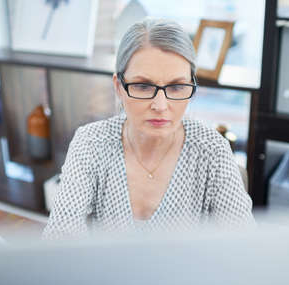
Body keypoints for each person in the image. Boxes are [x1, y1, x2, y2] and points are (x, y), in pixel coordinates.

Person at [43, 18, 255, 239]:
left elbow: (244, 247)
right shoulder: (91, 143)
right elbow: (59, 238)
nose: (161, 106)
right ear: (118, 87)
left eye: (176, 87)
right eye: (143, 86)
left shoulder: (212, 150)